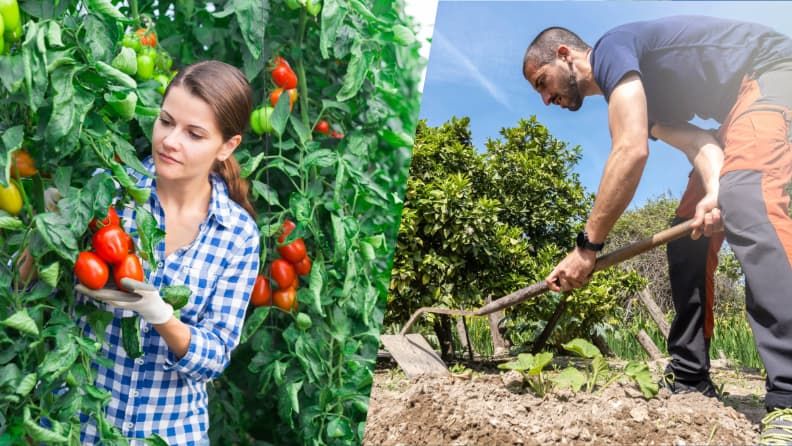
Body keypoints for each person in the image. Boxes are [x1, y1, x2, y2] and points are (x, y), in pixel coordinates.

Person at [523, 15, 792, 443]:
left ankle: (788, 396)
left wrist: (587, 247)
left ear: (564, 55)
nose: (544, 98)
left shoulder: (610, 49)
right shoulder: (642, 100)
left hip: (771, 70)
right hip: (733, 114)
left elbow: (630, 151)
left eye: (541, 82)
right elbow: (701, 144)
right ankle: (689, 376)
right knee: (689, 232)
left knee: (749, 197)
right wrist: (713, 191)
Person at [73, 60, 261, 445]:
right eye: (166, 121)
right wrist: (48, 231)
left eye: (194, 134)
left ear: (227, 146)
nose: (170, 141)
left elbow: (216, 354)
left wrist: (161, 316)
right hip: (80, 426)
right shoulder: (107, 193)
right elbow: (31, 288)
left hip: (171, 432)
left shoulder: (237, 235)